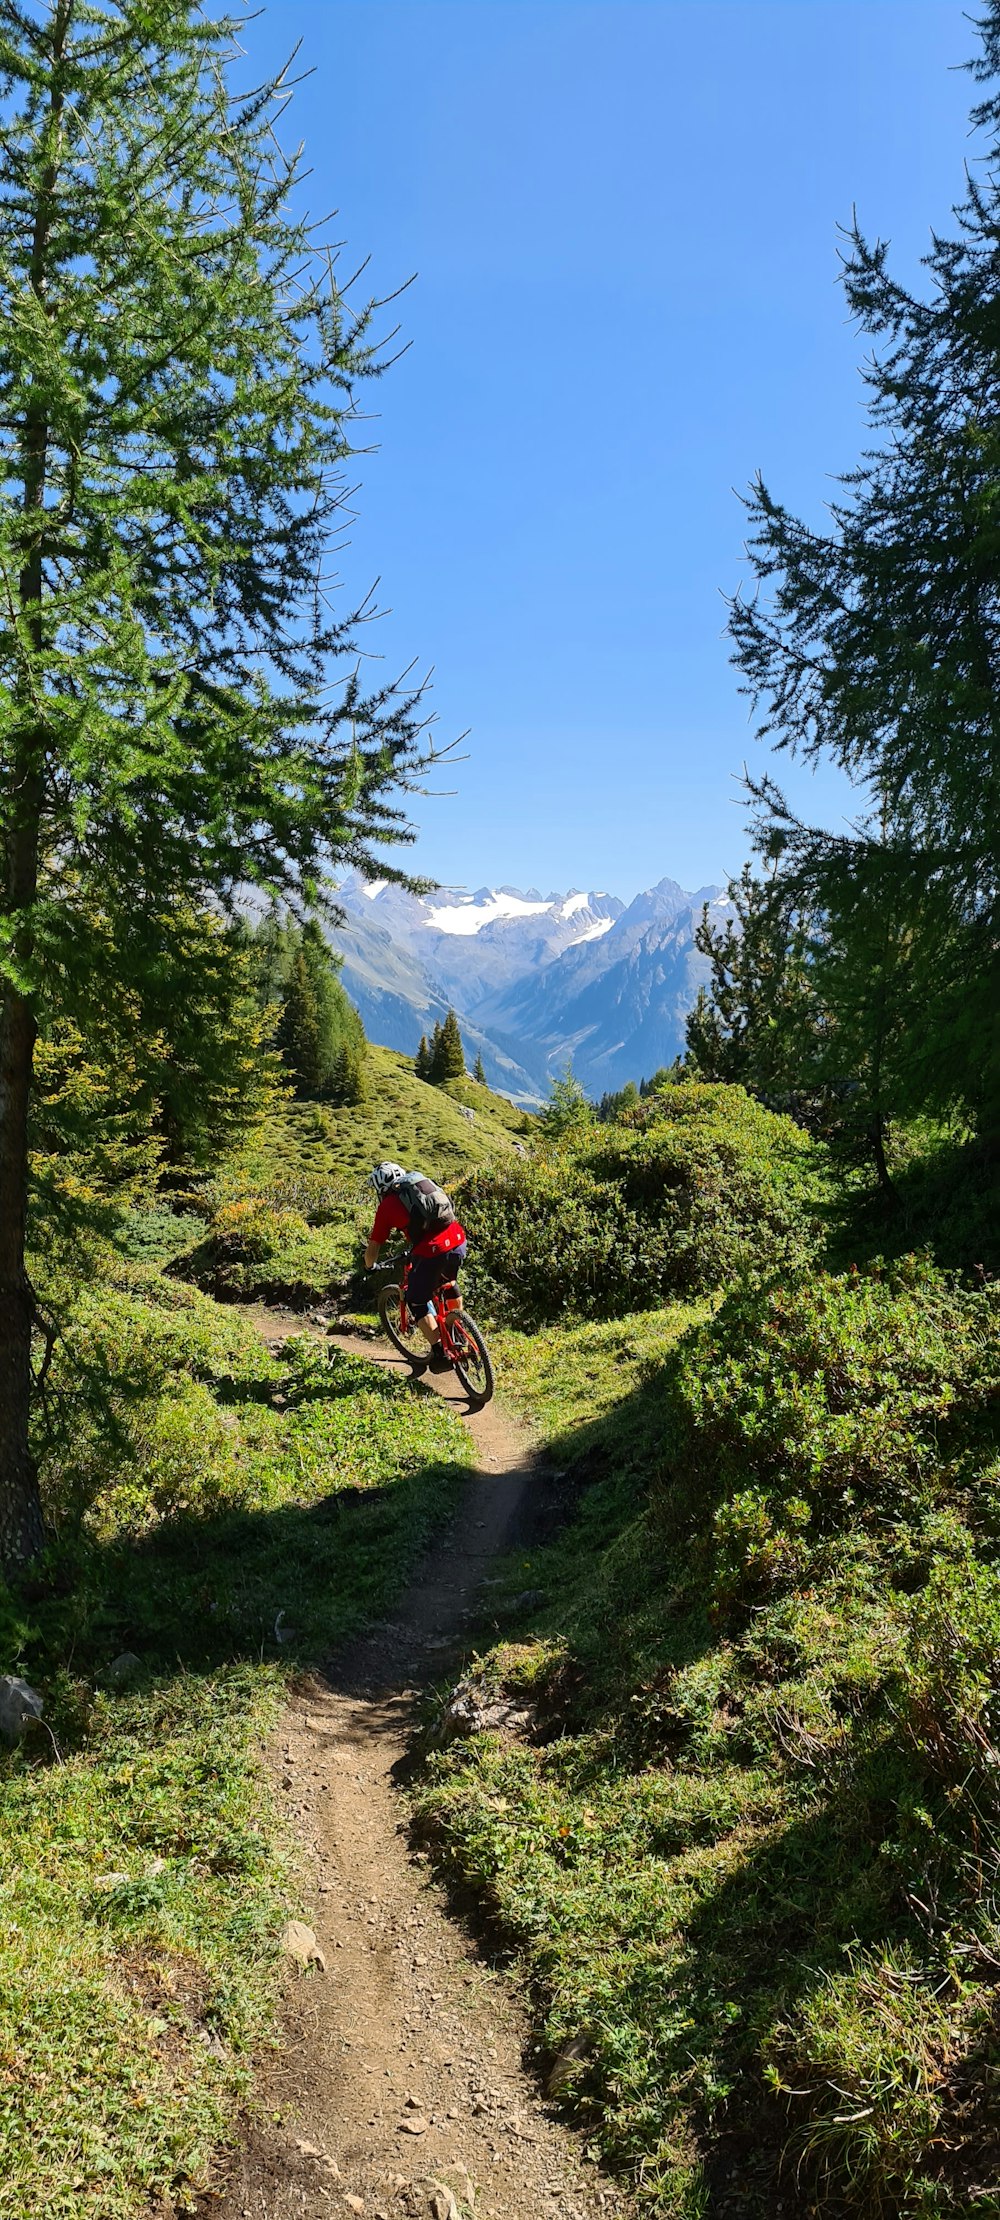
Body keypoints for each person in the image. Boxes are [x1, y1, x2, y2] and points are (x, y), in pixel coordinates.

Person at [365, 1161, 467, 1372]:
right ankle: (458, 1330)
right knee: (448, 1282)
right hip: (457, 1238)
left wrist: (369, 1266)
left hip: (432, 1250)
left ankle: (439, 1352)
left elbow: (374, 1245)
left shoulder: (387, 1205)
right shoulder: (420, 1182)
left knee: (416, 1299)